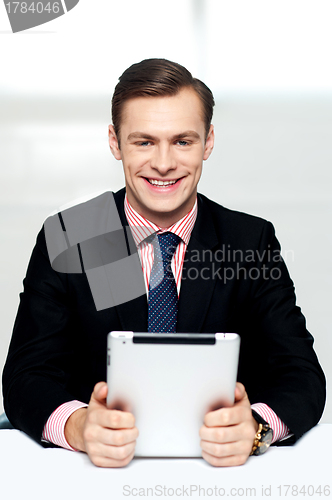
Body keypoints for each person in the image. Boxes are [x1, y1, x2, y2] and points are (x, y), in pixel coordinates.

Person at [2, 58, 325, 468]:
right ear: (115, 142)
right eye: (144, 142)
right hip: (94, 473)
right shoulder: (75, 235)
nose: (164, 163)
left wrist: (257, 427)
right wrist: (78, 426)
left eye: (182, 141)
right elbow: (26, 377)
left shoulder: (249, 241)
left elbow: (301, 374)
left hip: (219, 472)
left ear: (208, 142)